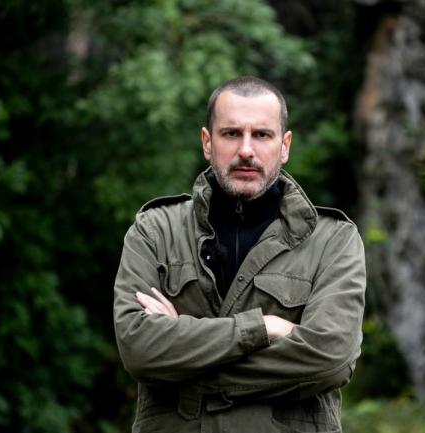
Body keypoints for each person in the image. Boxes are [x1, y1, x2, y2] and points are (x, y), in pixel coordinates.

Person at [113, 76, 366, 433]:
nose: (246, 150)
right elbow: (139, 349)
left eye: (261, 135)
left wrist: (183, 356)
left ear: (284, 146)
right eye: (231, 133)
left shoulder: (332, 240)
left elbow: (330, 359)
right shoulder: (156, 230)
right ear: (207, 142)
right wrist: (264, 328)